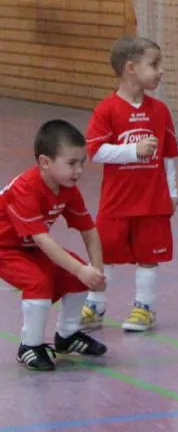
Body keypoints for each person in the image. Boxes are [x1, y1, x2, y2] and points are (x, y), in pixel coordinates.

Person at [81, 35, 178, 333]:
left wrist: (172, 191)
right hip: (117, 201)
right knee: (105, 251)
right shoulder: (107, 110)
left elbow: (168, 155)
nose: (160, 71)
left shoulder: (160, 111)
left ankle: (144, 307)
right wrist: (133, 151)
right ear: (131, 68)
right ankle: (94, 305)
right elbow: (96, 151)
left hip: (152, 200)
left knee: (149, 255)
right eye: (154, 64)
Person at [1, 120, 108, 370]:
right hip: (5, 249)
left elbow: (90, 231)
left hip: (28, 247)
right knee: (39, 281)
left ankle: (67, 335)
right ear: (45, 162)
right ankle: (29, 346)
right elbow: (42, 239)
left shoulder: (68, 189)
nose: (79, 170)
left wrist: (95, 271)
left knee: (77, 275)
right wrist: (81, 270)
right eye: (71, 163)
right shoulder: (26, 188)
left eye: (82, 163)